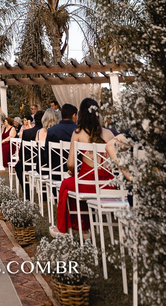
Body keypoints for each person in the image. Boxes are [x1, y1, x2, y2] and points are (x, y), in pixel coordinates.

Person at [51, 98, 114, 237]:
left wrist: (73, 172)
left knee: (66, 185)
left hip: (86, 183)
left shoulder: (78, 133)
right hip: (108, 184)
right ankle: (84, 228)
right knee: (74, 184)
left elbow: (71, 163)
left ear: (81, 115)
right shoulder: (109, 134)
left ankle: (66, 228)